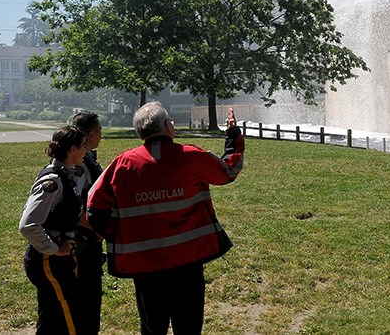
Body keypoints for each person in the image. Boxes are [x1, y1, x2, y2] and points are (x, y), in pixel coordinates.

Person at [86, 101, 244, 335]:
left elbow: (94, 208)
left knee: (152, 329)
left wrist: (119, 235)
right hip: (188, 263)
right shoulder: (190, 156)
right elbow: (228, 170)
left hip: (146, 267)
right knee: (189, 328)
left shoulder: (122, 164)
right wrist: (232, 136)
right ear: (167, 126)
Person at [19, 126, 88, 335]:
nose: (86, 151)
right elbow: (28, 224)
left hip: (58, 260)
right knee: (71, 318)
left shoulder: (66, 174)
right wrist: (53, 248)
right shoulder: (53, 181)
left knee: (51, 319)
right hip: (48, 261)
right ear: (73, 150)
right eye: (83, 146)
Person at [71, 110, 105, 334]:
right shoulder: (78, 164)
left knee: (92, 298)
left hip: (91, 239)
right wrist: (95, 229)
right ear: (91, 135)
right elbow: (71, 204)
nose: (102, 135)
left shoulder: (87, 159)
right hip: (81, 242)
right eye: (100, 131)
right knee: (83, 299)